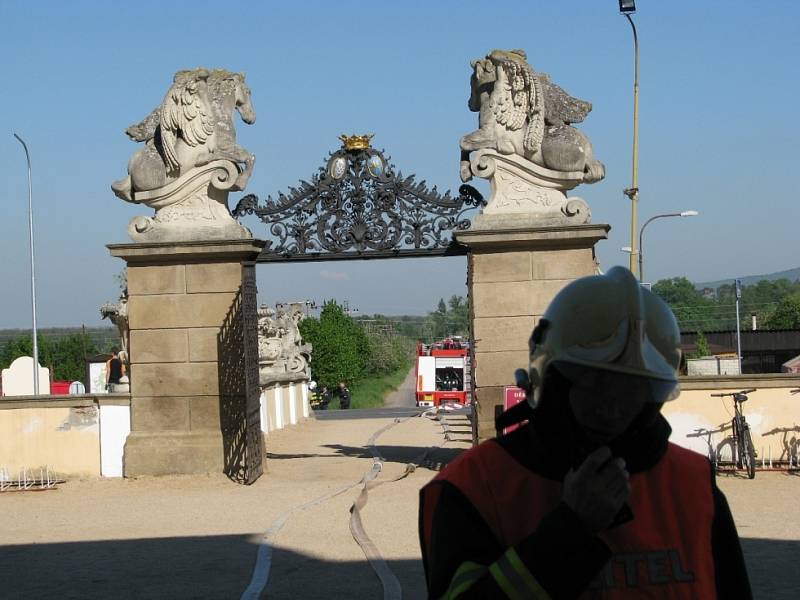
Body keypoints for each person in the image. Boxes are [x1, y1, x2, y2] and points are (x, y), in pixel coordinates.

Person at [419, 267, 752, 599]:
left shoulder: (692, 484)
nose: (612, 408)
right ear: (553, 384)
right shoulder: (477, 487)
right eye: (594, 384)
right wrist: (570, 529)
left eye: (631, 390)